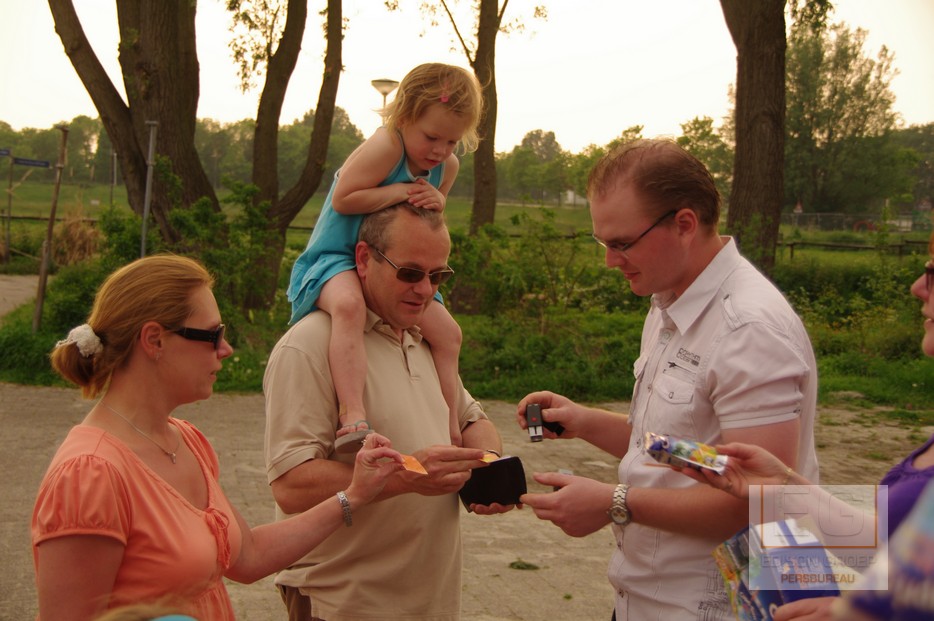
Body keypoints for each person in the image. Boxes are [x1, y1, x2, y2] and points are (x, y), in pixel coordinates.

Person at [514, 138, 820, 621]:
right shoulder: (668, 301)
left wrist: (615, 503)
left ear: (684, 224)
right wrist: (584, 421)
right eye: (603, 243)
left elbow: (758, 499)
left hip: (715, 607)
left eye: (622, 243)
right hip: (646, 602)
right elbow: (686, 454)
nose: (610, 260)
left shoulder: (748, 329)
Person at [32, 254, 404, 621]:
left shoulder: (184, 440)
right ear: (154, 340)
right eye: (213, 335)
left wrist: (355, 494)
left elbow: (249, 556)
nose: (226, 350)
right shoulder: (89, 475)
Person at [265, 204, 508, 621]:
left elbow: (472, 420)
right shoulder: (308, 345)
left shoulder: (423, 338)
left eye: (438, 276)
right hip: (343, 605)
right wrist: (407, 475)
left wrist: (486, 468)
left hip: (432, 605)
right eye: (410, 273)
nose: (425, 290)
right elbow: (290, 485)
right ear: (363, 259)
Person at [680, 236, 934, 621]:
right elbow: (896, 544)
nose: (917, 287)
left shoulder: (749, 322)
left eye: (932, 273)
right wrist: (784, 487)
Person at [287, 62, 483, 452]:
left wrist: (437, 199)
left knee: (449, 334)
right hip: (336, 258)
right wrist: (403, 192)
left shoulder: (446, 165)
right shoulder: (387, 146)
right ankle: (352, 414)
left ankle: (449, 424)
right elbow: (344, 199)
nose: (440, 150)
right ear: (404, 116)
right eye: (431, 137)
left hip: (392, 265)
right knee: (349, 307)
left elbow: (429, 217)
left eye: (451, 141)